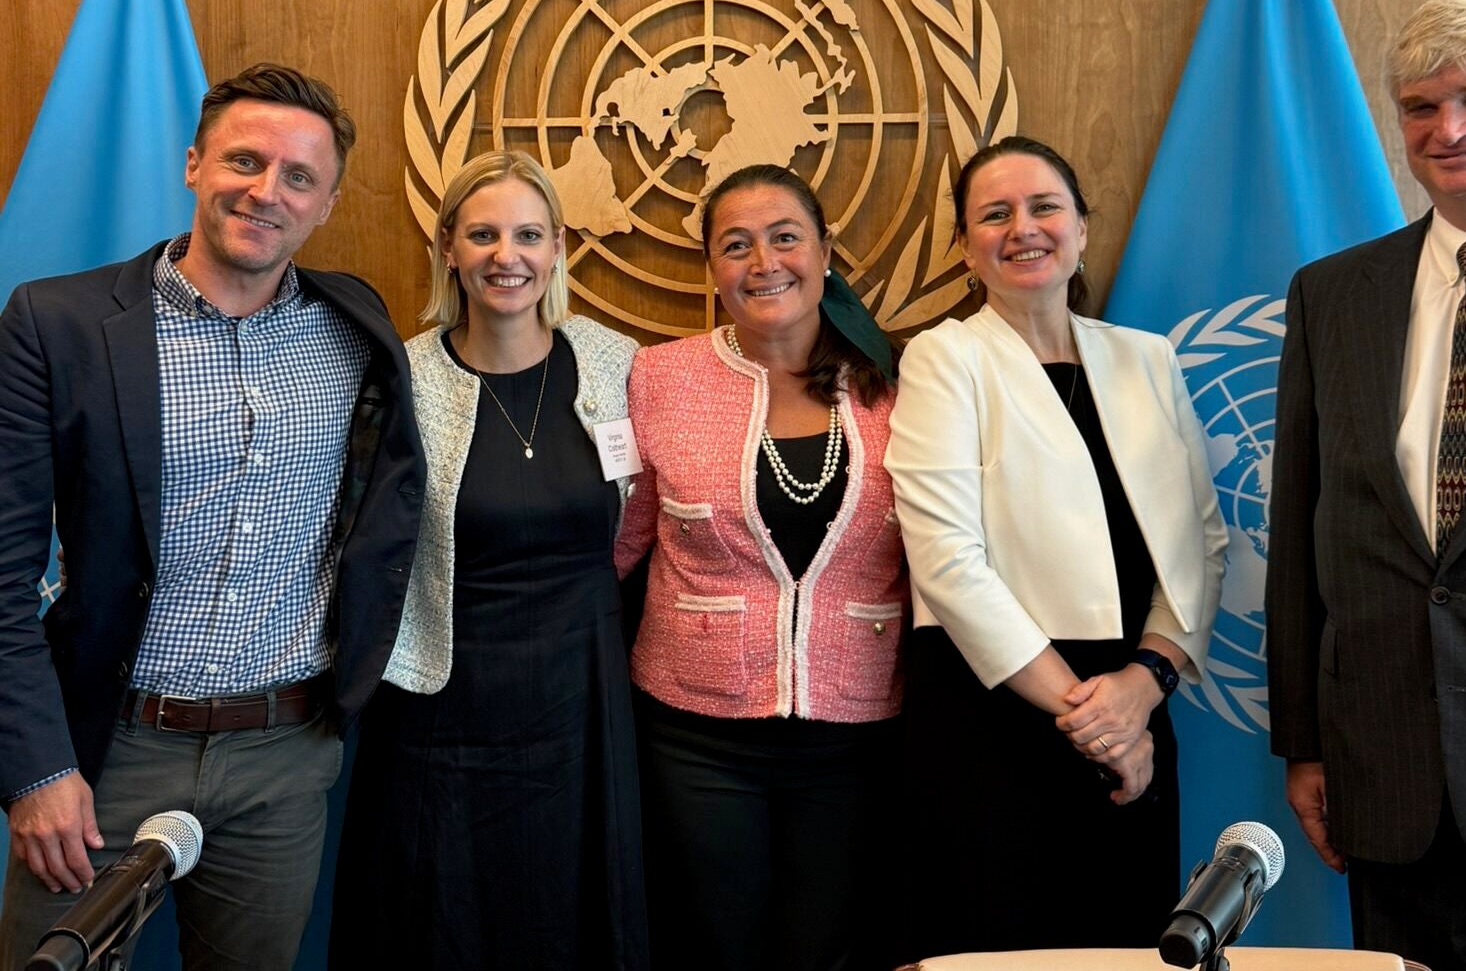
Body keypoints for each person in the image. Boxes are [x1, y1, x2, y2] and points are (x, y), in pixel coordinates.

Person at [0, 64, 424, 970]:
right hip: (105, 752)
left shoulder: (357, 328)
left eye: (298, 177)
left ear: (327, 203)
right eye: (244, 159)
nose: (266, 191)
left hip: (284, 756)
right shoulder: (58, 323)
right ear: (194, 164)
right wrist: (36, 769)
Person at [885, 135, 1225, 956]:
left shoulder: (1147, 358)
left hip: (1139, 688)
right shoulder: (944, 357)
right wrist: (1098, 722)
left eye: (1044, 207)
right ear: (967, 249)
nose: (1022, 228)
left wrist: (1143, 689)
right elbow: (948, 564)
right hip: (995, 706)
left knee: (1131, 941)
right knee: (1002, 944)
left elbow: (1204, 547)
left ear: (1080, 229)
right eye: (993, 215)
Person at [1267, 0, 1466, 971]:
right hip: (1386, 776)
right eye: (1420, 107)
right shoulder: (1334, 295)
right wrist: (1304, 741)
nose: (1449, 127)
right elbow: (1300, 531)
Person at [332, 150, 647, 968]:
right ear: (448, 249)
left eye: (528, 235)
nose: (506, 255)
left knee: (574, 907)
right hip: (445, 702)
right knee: (444, 913)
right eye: (483, 234)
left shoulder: (616, 364)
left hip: (585, 693)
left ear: (557, 248)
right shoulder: (403, 375)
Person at [615, 163, 905, 971]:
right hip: (693, 733)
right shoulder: (658, 378)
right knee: (711, 944)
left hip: (855, 729)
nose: (762, 262)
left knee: (829, 947)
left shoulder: (896, 383)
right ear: (711, 268)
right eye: (734, 246)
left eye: (785, 238)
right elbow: (622, 539)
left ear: (824, 251)